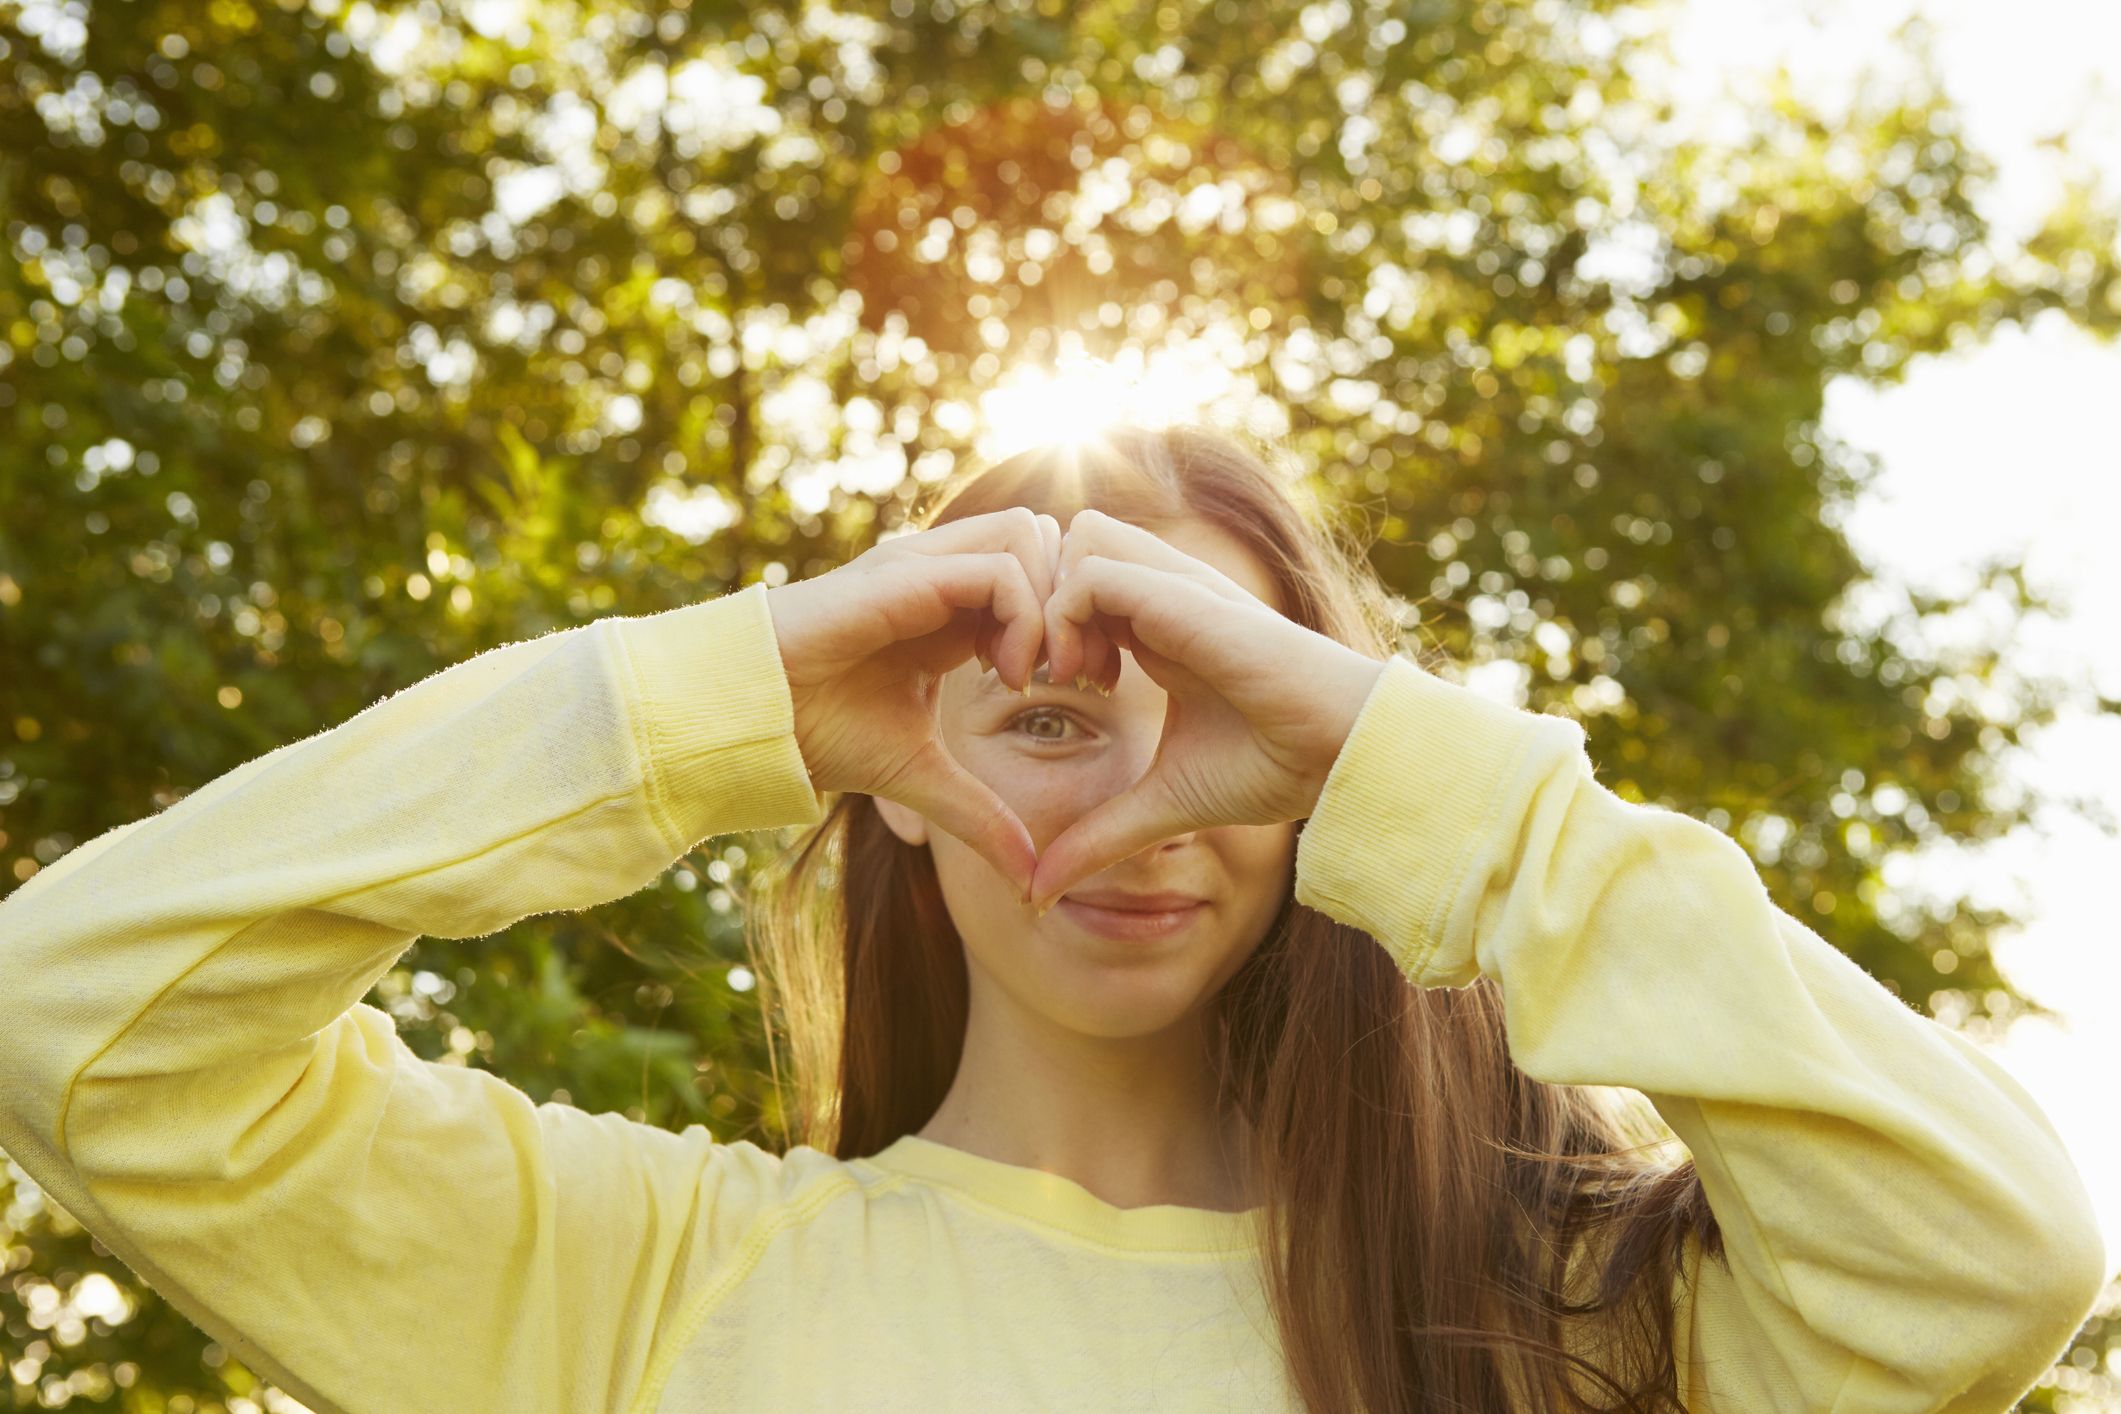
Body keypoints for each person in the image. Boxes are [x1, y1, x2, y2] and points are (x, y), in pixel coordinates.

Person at [0, 424, 2103, 1414]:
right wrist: (728, 696)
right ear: (896, 794)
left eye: (1233, 720)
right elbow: (79, 1015)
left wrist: (1424, 783)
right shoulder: (639, 1287)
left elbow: (1992, 1259)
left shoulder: (1574, 1325)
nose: (1136, 796)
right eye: (1045, 718)